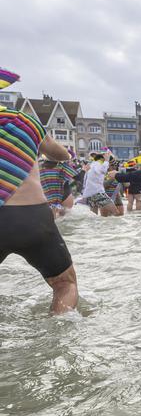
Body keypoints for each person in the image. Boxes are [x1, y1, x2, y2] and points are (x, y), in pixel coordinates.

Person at [0, 97, 78, 314]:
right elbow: (60, 153)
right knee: (65, 284)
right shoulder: (24, 121)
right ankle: (59, 335)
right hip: (31, 217)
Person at [81, 150, 119, 216]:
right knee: (116, 213)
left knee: (94, 217)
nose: (112, 167)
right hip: (97, 193)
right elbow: (102, 170)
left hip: (90, 194)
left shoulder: (94, 164)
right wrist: (107, 160)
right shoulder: (99, 163)